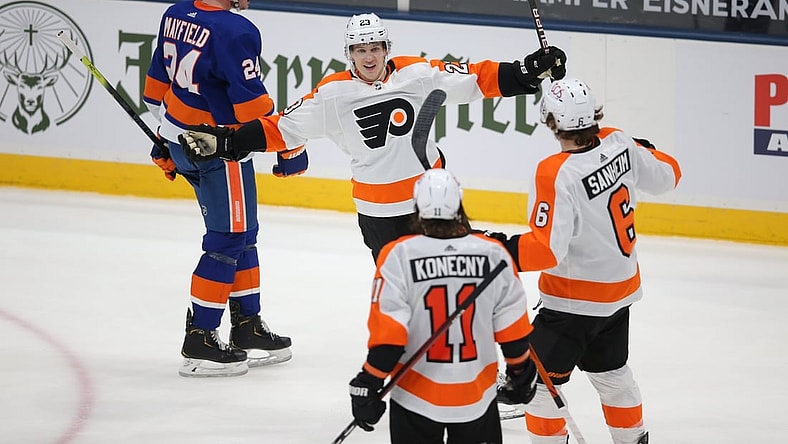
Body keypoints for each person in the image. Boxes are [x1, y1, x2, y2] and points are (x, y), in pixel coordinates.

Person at [178, 12, 567, 264]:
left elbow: (478, 78)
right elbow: (281, 128)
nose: (369, 56)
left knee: (458, 268)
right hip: (378, 211)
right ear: (349, 53)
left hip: (430, 198)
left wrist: (529, 71)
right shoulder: (333, 93)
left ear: (387, 49)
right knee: (406, 289)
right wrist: (226, 141)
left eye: (375, 48)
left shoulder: (417, 74)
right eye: (360, 49)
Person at [487, 78, 682, 444]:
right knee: (612, 374)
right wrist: (639, 148)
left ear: (548, 119)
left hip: (573, 303)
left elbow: (545, 250)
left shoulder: (556, 171)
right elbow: (670, 175)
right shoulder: (619, 140)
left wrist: (495, 246)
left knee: (539, 388)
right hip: (620, 293)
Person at [143, 0, 302, 377]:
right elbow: (251, 107)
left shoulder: (176, 12)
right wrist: (290, 145)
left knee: (244, 233)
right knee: (228, 239)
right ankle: (201, 335)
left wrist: (166, 140)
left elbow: (154, 90)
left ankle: (247, 325)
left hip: (183, 140)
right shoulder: (236, 30)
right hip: (220, 148)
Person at [346, 168, 538, 443]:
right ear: (459, 206)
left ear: (416, 208)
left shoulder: (397, 255)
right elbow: (512, 331)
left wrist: (369, 381)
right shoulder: (493, 254)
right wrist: (520, 373)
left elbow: (390, 339)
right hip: (476, 398)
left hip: (414, 398)